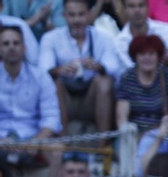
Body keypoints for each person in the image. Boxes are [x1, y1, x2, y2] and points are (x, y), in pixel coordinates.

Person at [39, 0, 123, 133]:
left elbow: (114, 68)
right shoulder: (51, 38)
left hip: (92, 97)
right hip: (65, 97)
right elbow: (43, 70)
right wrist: (59, 70)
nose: (77, 20)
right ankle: (64, 143)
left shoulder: (103, 38)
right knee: (54, 83)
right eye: (72, 15)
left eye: (81, 14)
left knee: (104, 82)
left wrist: (97, 66)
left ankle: (102, 146)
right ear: (64, 15)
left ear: (89, 14)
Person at [0, 23, 60, 166]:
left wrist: (37, 140)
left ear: (24, 48)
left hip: (31, 138)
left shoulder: (41, 77)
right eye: (6, 43)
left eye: (16, 43)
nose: (11, 47)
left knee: (56, 150)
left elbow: (52, 117)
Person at [111, 0, 168, 80]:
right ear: (124, 10)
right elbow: (122, 76)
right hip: (134, 90)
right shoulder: (119, 42)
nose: (137, 10)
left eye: (141, 5)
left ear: (148, 8)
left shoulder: (167, 31)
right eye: (132, 6)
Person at [114, 33, 168, 128]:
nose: (147, 58)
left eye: (151, 53)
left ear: (158, 56)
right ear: (135, 57)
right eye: (142, 54)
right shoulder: (127, 79)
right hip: (134, 134)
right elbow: (121, 118)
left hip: (164, 133)